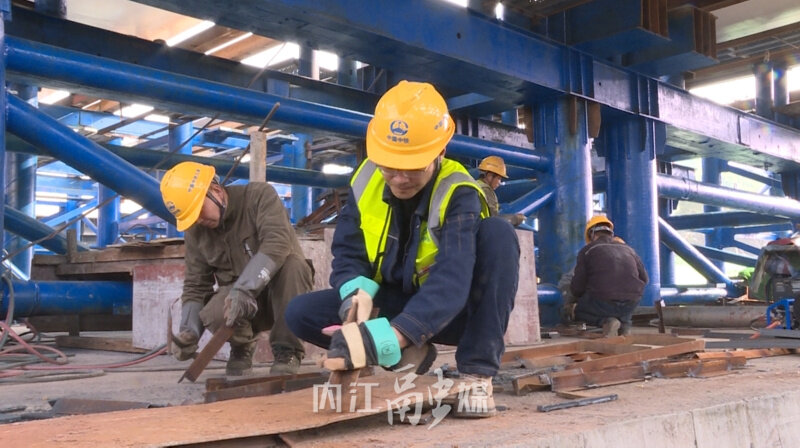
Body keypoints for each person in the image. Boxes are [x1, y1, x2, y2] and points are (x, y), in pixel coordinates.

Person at [285, 80, 520, 418]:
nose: (398, 178)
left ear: (440, 152)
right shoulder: (365, 181)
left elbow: (452, 277)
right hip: (395, 300)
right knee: (301, 313)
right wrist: (355, 302)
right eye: (389, 165)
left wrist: (397, 334)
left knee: (499, 234)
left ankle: (476, 375)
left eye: (412, 167)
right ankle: (407, 353)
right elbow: (349, 252)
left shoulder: (459, 192)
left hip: (453, 313)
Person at [161, 161, 313, 376]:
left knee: (294, 266)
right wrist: (189, 330)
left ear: (216, 191)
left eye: (199, 210)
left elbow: (277, 243)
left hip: (280, 294)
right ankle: (242, 346)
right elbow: (196, 284)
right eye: (192, 217)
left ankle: (287, 351)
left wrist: (245, 289)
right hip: (238, 307)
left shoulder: (259, 197)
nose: (199, 220)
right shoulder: (196, 231)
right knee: (214, 311)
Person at [569, 216, 648, 337]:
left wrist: (573, 301)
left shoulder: (587, 250)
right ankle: (625, 324)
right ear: (611, 233)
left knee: (578, 311)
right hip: (632, 302)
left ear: (591, 234)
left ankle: (607, 322)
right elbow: (645, 279)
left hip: (603, 302)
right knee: (623, 306)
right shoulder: (629, 249)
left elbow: (577, 287)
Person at [476, 156, 525, 226]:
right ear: (490, 176)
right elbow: (493, 220)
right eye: (499, 178)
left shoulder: (476, 185)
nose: (499, 183)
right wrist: (515, 219)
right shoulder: (486, 190)